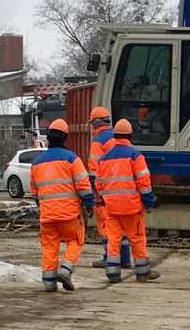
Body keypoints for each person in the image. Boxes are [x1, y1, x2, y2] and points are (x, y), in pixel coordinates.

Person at [30, 119, 95, 292]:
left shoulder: (37, 163)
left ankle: (49, 282)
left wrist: (43, 206)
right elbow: (83, 185)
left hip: (47, 215)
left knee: (49, 247)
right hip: (69, 215)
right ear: (66, 137)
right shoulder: (72, 159)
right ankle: (66, 270)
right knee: (76, 239)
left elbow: (34, 191)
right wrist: (89, 204)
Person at [96, 118, 160, 283]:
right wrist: (149, 200)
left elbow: (98, 183)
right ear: (130, 135)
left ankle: (112, 274)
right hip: (132, 207)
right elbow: (144, 181)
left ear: (115, 135)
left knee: (113, 240)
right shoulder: (135, 155)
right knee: (137, 238)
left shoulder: (103, 158)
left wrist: (106, 199)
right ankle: (142, 272)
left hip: (111, 208)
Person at [87, 106, 131, 269]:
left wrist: (94, 192)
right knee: (122, 225)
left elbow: (94, 168)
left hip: (104, 189)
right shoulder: (117, 137)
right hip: (121, 188)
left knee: (106, 225)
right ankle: (125, 258)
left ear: (95, 123)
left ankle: (109, 256)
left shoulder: (98, 141)